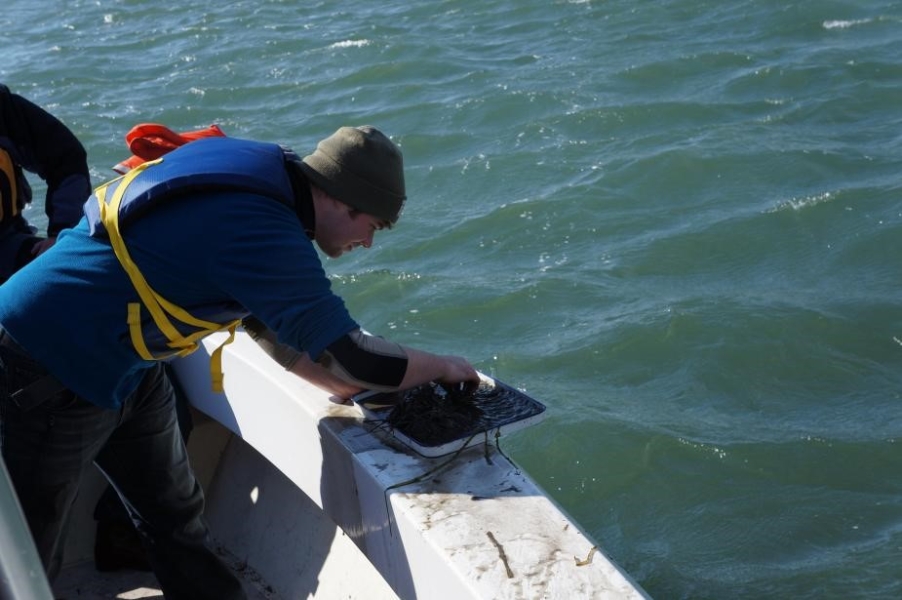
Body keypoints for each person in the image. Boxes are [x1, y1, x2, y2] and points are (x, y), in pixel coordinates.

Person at [0, 125, 479, 599]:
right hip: (41, 362)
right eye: (372, 226)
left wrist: (342, 387)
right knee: (30, 557)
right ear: (339, 200)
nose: (369, 243)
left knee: (175, 512)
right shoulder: (260, 227)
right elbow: (355, 356)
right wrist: (440, 366)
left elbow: (270, 331)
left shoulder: (271, 180)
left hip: (128, 361)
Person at [0, 83, 91, 283]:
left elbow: (66, 158)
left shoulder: (4, 111)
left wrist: (61, 233)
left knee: (81, 271)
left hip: (6, 248)